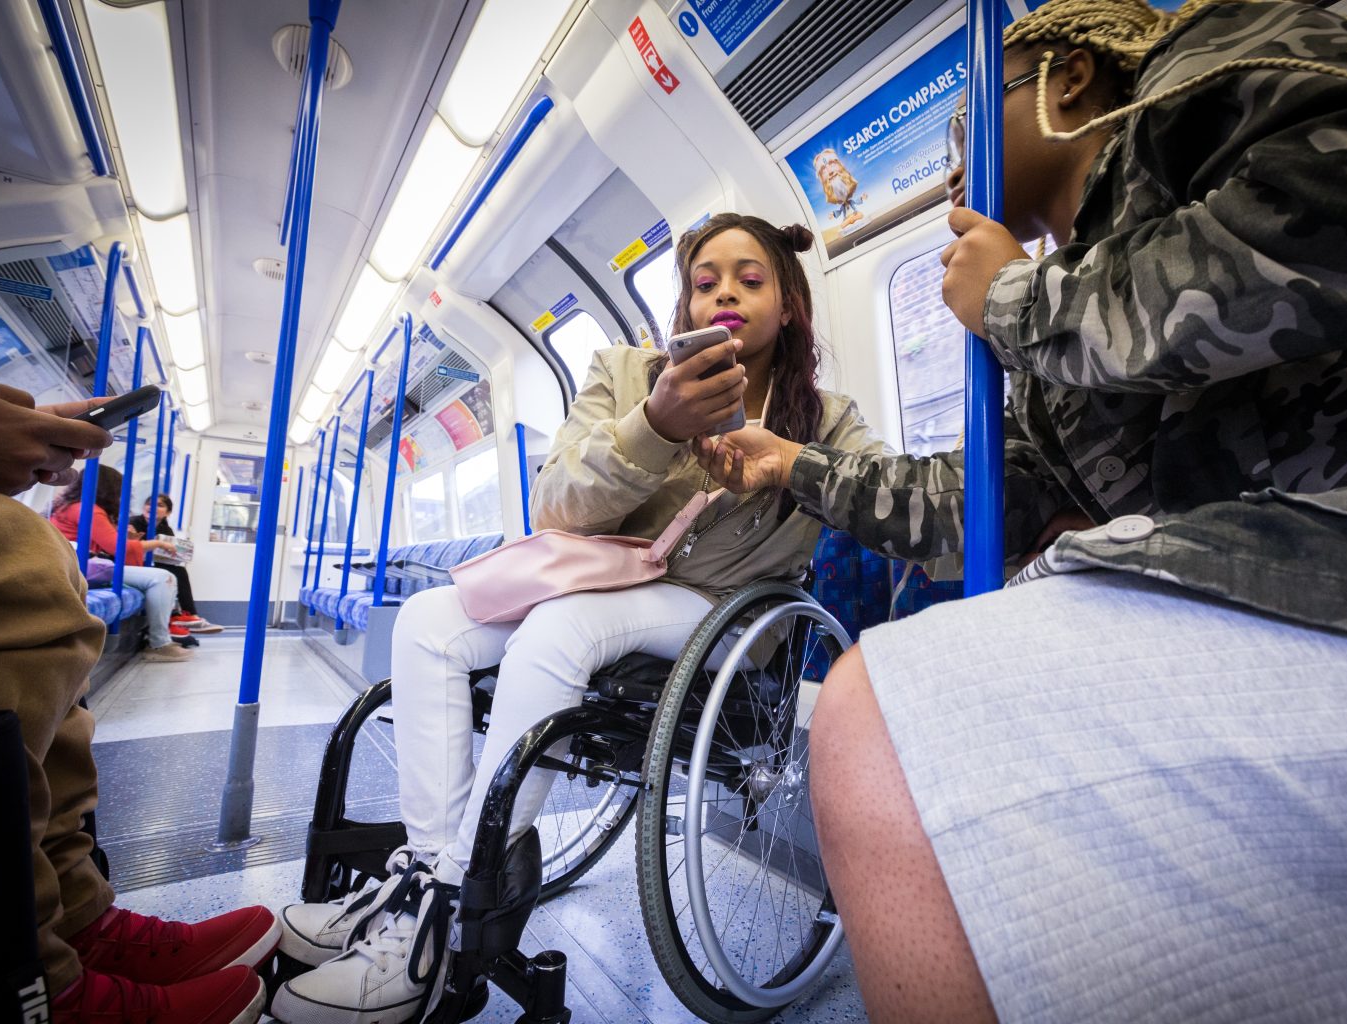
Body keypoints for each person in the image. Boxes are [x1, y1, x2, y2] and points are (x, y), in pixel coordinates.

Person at [695, 1, 1347, 1020]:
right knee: (907, 696)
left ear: (1068, 77)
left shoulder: (1199, 74)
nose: (955, 173)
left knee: (879, 730)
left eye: (967, 127)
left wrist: (1017, 304)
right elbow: (965, 509)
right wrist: (795, 465)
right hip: (1301, 594)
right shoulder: (1062, 350)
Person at [270, 214, 892, 1022]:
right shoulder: (626, 372)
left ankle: (454, 913)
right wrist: (655, 427)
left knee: (558, 633)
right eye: (705, 280)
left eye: (749, 277)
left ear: (787, 304)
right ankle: (428, 879)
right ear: (685, 302)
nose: (725, 293)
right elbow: (555, 501)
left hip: (717, 609)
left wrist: (789, 458)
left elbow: (884, 500)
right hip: (605, 574)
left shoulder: (829, 418)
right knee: (427, 620)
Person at [0, 378, 280, 1023]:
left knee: (39, 553)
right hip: (80, 553)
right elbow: (116, 547)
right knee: (21, 548)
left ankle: (76, 919)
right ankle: (43, 980)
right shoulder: (90, 515)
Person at [50, 466, 194, 661]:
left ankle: (178, 620)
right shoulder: (89, 509)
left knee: (168, 574)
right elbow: (117, 547)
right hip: (80, 566)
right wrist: (157, 543)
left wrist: (130, 539)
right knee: (164, 577)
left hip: (76, 563)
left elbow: (108, 543)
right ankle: (159, 643)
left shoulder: (74, 506)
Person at [130, 493, 224, 634]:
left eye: (160, 505)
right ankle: (179, 615)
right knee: (173, 573)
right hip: (134, 564)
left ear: (168, 512)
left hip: (152, 564)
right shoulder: (133, 523)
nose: (153, 507)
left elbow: (165, 555)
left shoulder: (166, 530)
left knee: (179, 571)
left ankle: (186, 614)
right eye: (149, 503)